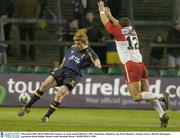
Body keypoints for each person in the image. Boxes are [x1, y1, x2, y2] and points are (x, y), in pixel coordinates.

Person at [98, 1, 170, 128]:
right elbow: (118, 24)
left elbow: (105, 22)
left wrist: (102, 11)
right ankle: (162, 115)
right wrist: (111, 16)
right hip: (141, 65)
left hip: (131, 65)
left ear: (120, 26)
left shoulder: (118, 32)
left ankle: (161, 96)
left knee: (136, 97)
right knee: (148, 95)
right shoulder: (132, 31)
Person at [18, 32, 101, 122]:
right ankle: (27, 106)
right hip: (63, 70)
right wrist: (60, 67)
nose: (76, 44)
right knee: (45, 84)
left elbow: (97, 60)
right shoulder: (73, 47)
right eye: (75, 42)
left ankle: (47, 116)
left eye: (78, 43)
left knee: (60, 93)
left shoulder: (90, 53)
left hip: (74, 75)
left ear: (84, 42)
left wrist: (97, 64)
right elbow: (66, 58)